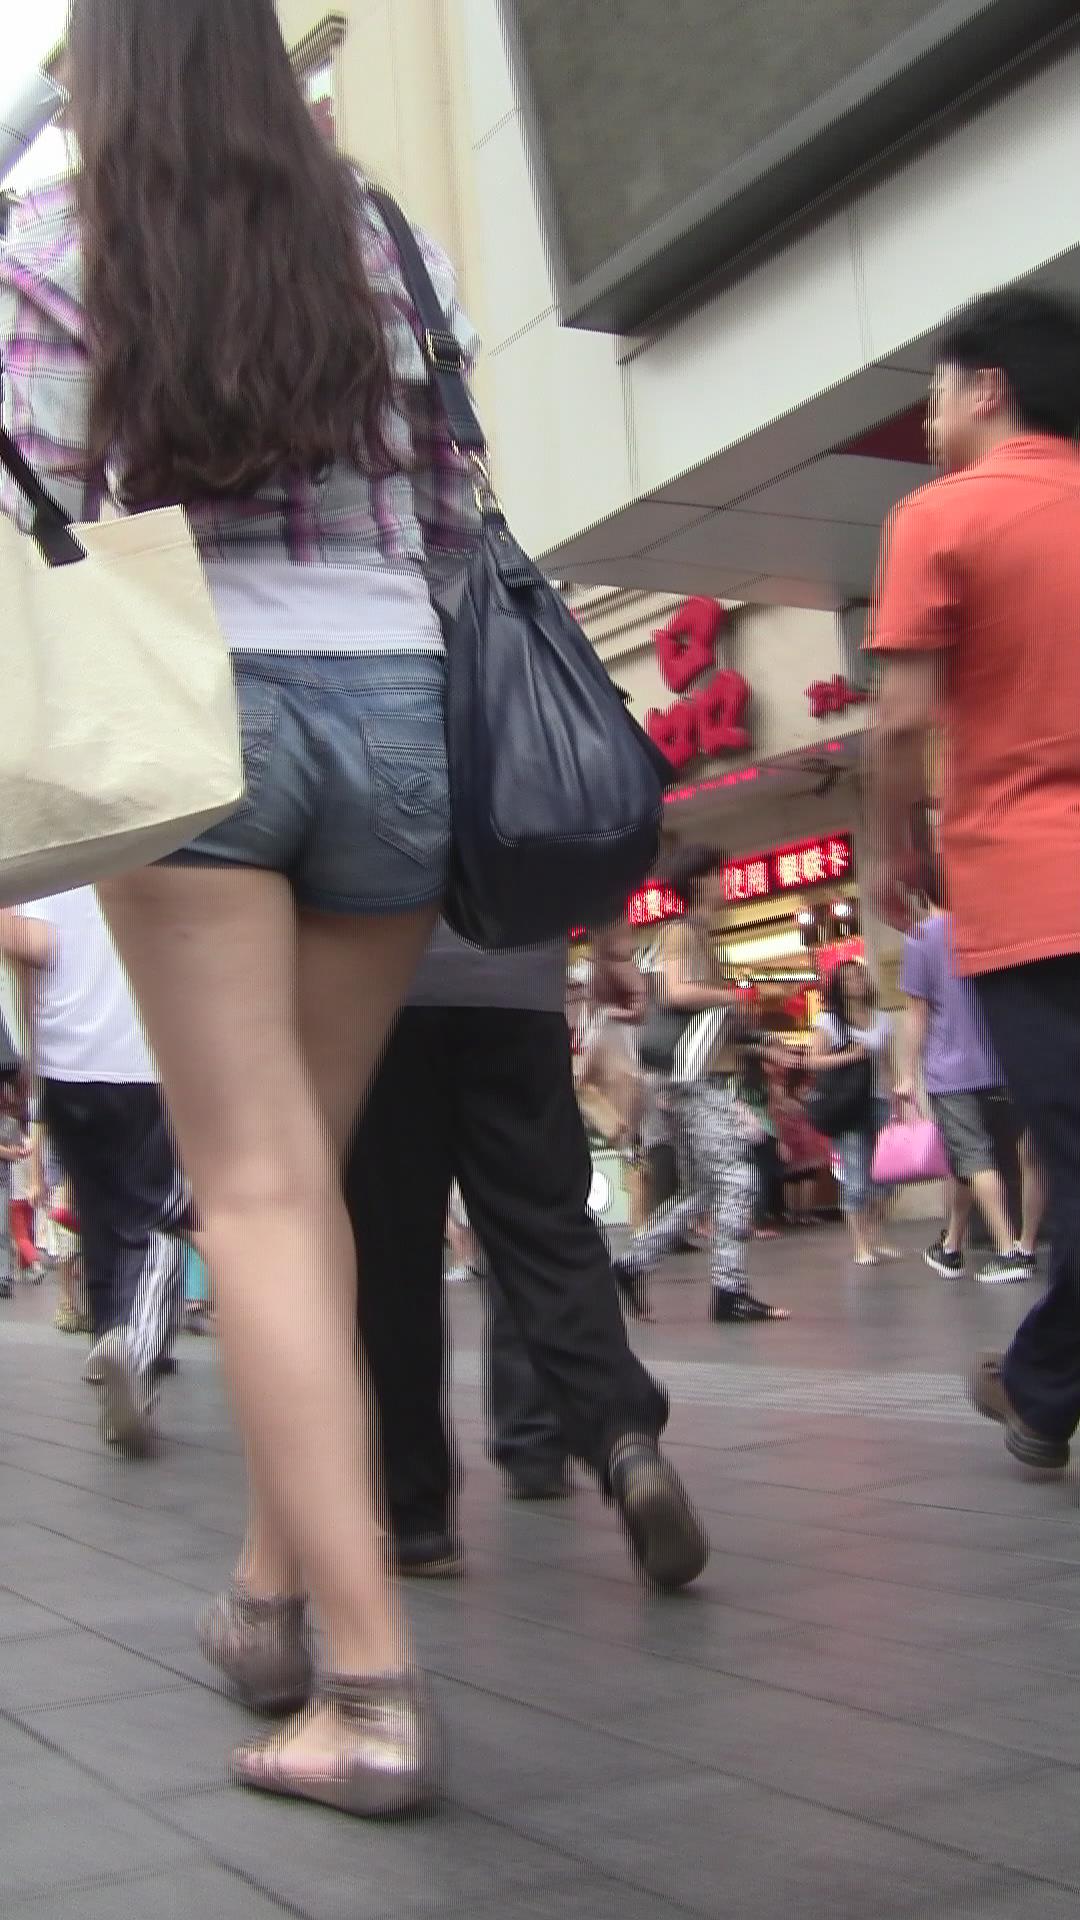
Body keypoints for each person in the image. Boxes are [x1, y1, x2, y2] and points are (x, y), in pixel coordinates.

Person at [0, 0, 490, 1820]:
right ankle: (274, 1592)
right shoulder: (381, 232)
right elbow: (457, 505)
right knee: (301, 1180)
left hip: (186, 710)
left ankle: (368, 1693)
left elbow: (40, 502)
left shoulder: (58, 240)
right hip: (399, 707)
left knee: (265, 1193)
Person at [868, 286, 1080, 1474]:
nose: (929, 414)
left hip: (1036, 897)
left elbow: (901, 719)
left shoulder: (940, 516)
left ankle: (1043, 1386)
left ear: (988, 388)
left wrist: (891, 843)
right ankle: (1043, 1393)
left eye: (937, 390)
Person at [348, 920, 706, 1582]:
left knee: (394, 1258)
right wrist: (611, 947)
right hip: (515, 988)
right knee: (549, 1235)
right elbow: (586, 846)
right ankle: (622, 1435)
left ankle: (417, 1519)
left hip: (377, 985)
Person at [1, 894, 192, 1447]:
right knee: (154, 1221)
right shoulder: (151, 853)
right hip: (142, 1059)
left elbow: (29, 943)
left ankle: (112, 1348)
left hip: (66, 1067)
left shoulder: (54, 859)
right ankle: (136, 1353)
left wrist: (29, 1059)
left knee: (101, 1223)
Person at [615, 846, 789, 1322]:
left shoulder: (697, 935)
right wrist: (731, 996)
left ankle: (631, 1265)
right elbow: (676, 992)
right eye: (718, 874)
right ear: (698, 882)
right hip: (694, 1082)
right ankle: (729, 1292)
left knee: (704, 1191)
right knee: (737, 1178)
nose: (724, 882)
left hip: (695, 1078)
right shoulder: (680, 932)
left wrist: (762, 1042)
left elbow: (706, 1020)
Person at [899, 902, 1041, 1284]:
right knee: (1014, 1157)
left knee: (974, 1159)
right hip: (1005, 1063)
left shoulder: (920, 937)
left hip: (952, 1072)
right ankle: (960, 1246)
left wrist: (906, 1075)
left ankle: (1008, 1250)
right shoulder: (996, 925)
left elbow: (917, 1014)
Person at [809, 960, 897, 1268]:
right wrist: (851, 1055)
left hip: (879, 1101)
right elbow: (813, 1061)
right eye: (847, 979)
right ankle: (861, 1245)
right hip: (847, 1105)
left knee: (887, 1177)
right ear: (839, 986)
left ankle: (875, 1234)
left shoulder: (882, 1019)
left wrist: (897, 1097)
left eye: (859, 975)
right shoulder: (829, 1022)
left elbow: (887, 1063)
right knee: (857, 1176)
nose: (855, 982)